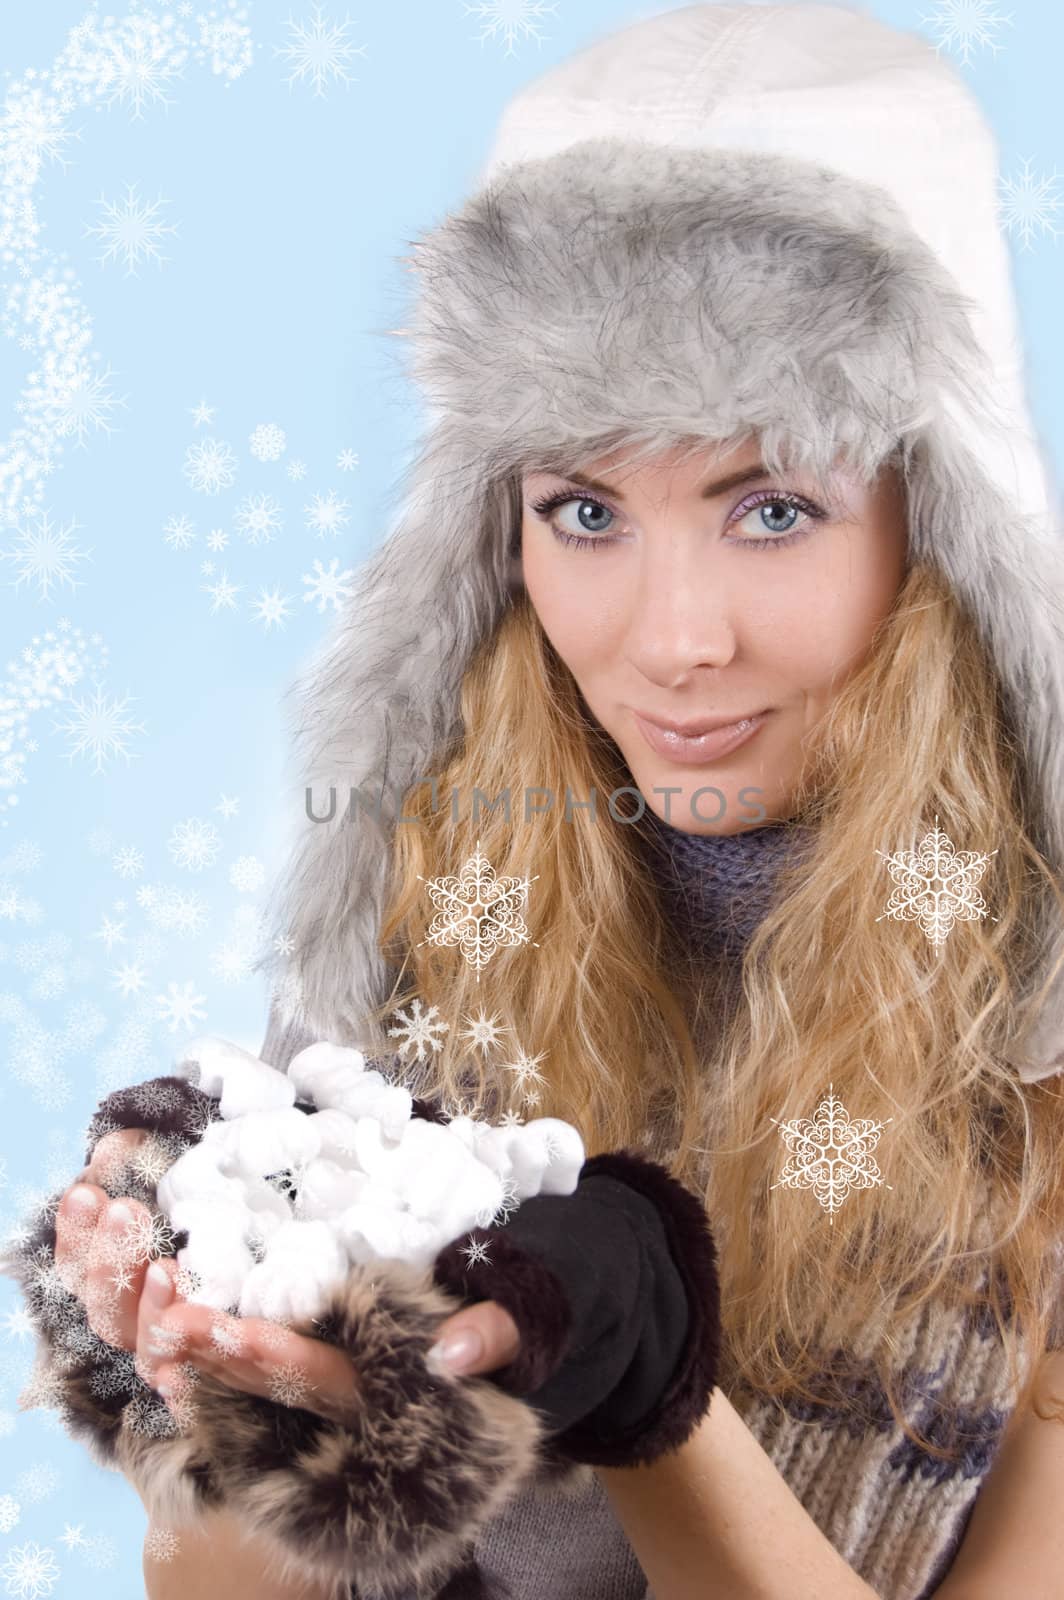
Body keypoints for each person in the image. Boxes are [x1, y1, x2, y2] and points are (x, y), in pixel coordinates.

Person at [8, 4, 1064, 1598]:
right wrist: (249, 1383)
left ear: (937, 526)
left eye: (770, 506)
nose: (672, 641)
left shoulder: (1038, 1081)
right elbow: (220, 1581)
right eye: (585, 508)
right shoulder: (437, 931)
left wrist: (653, 1390)